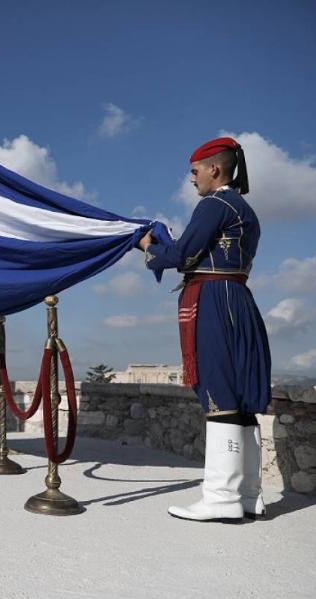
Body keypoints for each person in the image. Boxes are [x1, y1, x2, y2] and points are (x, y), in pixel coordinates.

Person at [138, 136, 271, 523]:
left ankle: (220, 497)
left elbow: (182, 256)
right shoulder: (245, 209)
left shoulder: (214, 205)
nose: (192, 180)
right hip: (239, 299)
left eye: (195, 171)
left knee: (220, 394)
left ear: (214, 169)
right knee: (241, 400)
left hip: (214, 301)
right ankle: (248, 495)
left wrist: (149, 248)